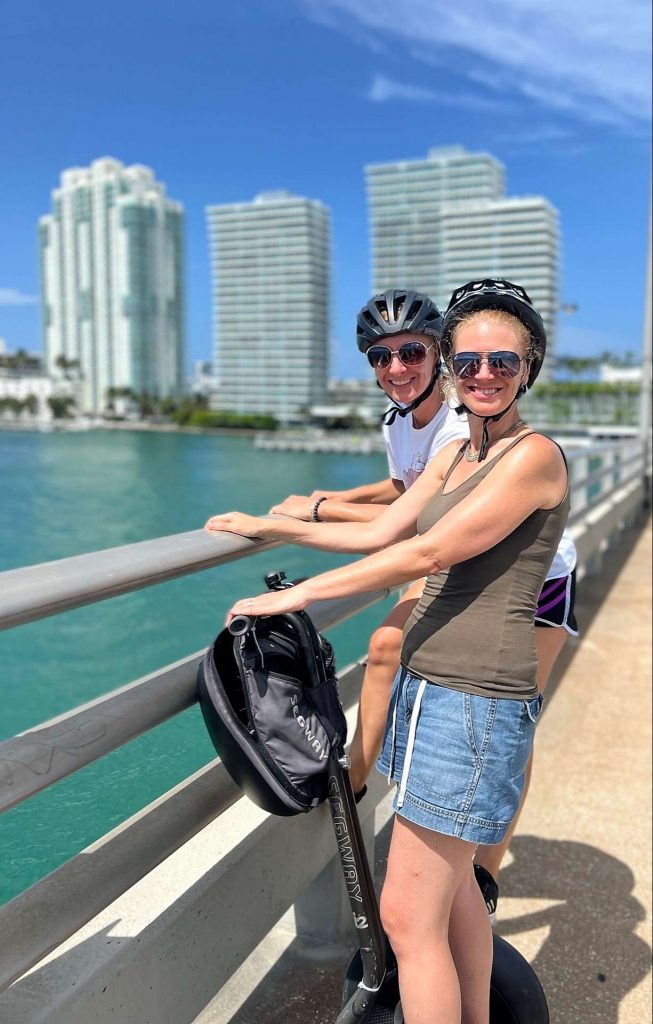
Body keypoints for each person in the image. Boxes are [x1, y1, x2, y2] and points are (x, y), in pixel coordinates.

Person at [205, 278, 570, 1023]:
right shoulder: (458, 452)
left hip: (473, 700)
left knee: (406, 919)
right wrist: (274, 528)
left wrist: (295, 596)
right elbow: (380, 531)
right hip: (430, 688)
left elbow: (425, 550)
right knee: (457, 893)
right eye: (467, 364)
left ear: (528, 366)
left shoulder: (531, 457)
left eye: (501, 362)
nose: (482, 376)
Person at [266, 288, 577, 918]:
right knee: (405, 661)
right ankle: (379, 790)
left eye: (411, 352)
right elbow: (406, 493)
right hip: (462, 561)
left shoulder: (468, 425)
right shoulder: (405, 422)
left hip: (536, 577)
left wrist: (314, 522)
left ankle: (481, 866)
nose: (397, 367)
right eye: (381, 358)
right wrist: (319, 504)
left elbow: (420, 540)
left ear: (436, 354)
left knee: (510, 723)